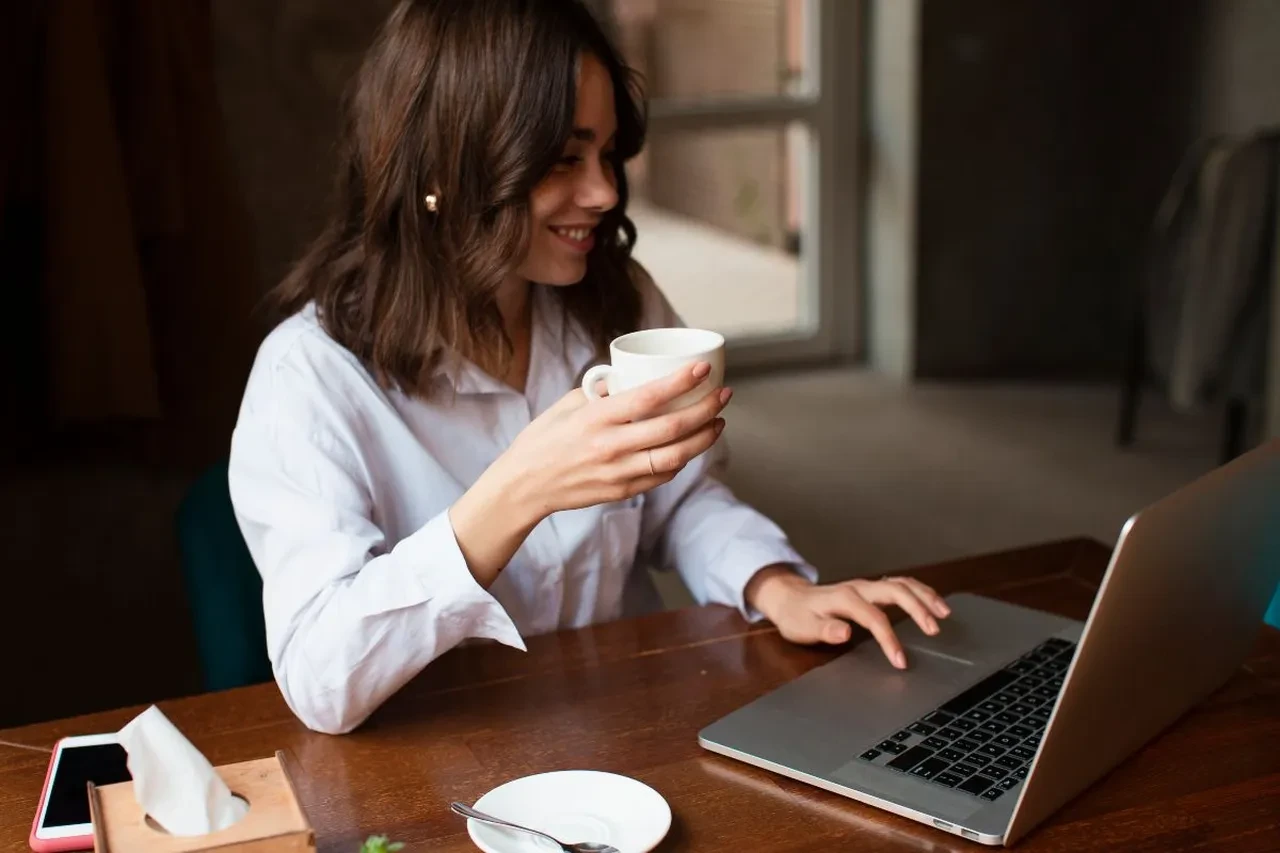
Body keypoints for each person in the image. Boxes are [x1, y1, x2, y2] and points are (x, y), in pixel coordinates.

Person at [228, 0, 950, 735]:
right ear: (446, 167)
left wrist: (772, 583)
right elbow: (322, 681)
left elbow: (682, 501)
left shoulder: (618, 300)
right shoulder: (309, 379)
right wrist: (515, 494)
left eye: (607, 154)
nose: (605, 192)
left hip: (629, 717)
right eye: (566, 158)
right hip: (445, 756)